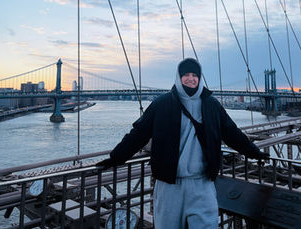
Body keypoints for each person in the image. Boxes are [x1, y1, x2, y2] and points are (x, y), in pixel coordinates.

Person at [97, 58, 269, 229]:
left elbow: (232, 133)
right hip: (169, 185)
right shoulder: (162, 104)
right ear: (178, 77)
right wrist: (115, 158)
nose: (191, 78)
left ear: (200, 77)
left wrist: (254, 152)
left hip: (203, 183)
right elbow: (138, 134)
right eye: (185, 74)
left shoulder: (211, 105)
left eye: (195, 74)